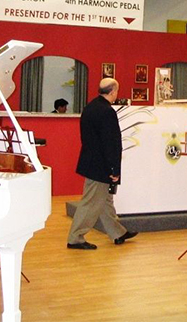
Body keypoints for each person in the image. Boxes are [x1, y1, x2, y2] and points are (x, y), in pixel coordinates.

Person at [67, 78, 137, 250]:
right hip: (101, 165)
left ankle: (117, 233)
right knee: (90, 203)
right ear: (112, 91)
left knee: (105, 200)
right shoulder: (107, 112)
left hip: (92, 161)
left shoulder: (90, 107)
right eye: (116, 91)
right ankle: (75, 238)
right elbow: (111, 143)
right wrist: (114, 169)